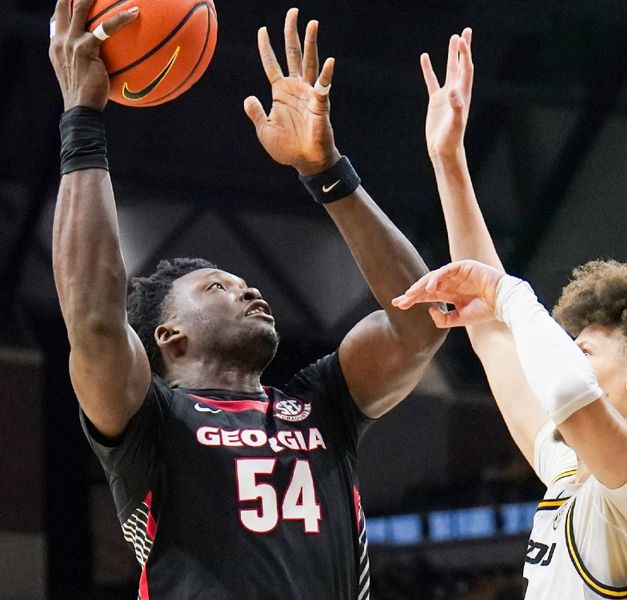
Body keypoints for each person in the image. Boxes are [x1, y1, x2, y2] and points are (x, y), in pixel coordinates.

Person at [48, 3, 446, 599]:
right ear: (169, 334)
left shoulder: (321, 406)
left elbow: (420, 320)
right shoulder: (148, 423)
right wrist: (82, 119)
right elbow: (94, 320)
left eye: (241, 283)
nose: (249, 289)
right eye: (218, 287)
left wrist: (327, 172)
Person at [393, 30, 627, 598]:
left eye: (583, 349)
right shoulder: (569, 469)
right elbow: (488, 328)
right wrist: (449, 162)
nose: (563, 355)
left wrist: (513, 296)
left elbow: (565, 392)